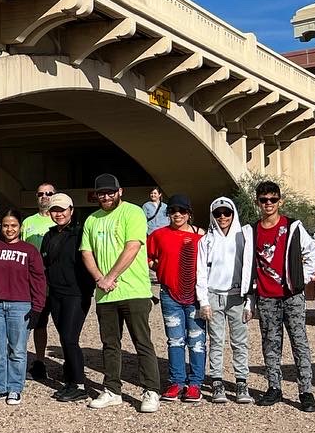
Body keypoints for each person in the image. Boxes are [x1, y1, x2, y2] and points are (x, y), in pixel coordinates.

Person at [80, 174, 160, 413]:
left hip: (134, 291)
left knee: (142, 342)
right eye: (101, 193)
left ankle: (151, 391)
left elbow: (133, 246)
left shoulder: (133, 213)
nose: (106, 197)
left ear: (120, 191)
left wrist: (110, 277)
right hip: (105, 295)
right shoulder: (92, 219)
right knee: (110, 344)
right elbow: (86, 252)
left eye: (110, 192)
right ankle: (112, 390)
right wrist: (99, 279)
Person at [246, 179, 315, 412]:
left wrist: (301, 280)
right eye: (264, 200)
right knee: (270, 343)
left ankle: (305, 391)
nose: (269, 203)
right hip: (266, 296)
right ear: (258, 202)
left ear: (280, 201)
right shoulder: (252, 231)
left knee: (299, 342)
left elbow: (313, 252)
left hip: (291, 296)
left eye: (273, 199)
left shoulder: (293, 226)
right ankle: (274, 387)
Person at [0, 209, 46, 406]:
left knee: (18, 350)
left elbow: (39, 280)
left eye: (13, 225)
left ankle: (14, 388)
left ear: (20, 227)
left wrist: (38, 307)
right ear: (0, 226)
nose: (9, 229)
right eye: (5, 225)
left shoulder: (29, 251)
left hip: (20, 307)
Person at [148, 194, 207, 405]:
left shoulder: (201, 236)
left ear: (189, 214)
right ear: (168, 213)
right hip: (169, 294)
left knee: (197, 340)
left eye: (182, 211)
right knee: (175, 340)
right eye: (173, 211)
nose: (177, 215)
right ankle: (177, 381)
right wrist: (159, 267)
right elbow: (149, 258)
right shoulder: (158, 235)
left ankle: (196, 384)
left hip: (196, 296)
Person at [195, 197, 254, 405]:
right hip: (213, 295)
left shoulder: (243, 236)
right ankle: (217, 380)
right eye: (218, 213)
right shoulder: (206, 240)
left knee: (240, 342)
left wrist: (249, 300)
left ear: (233, 214)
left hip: (237, 295)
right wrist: (203, 301)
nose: (222, 217)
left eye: (226, 213)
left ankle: (241, 381)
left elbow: (250, 268)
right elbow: (200, 271)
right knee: (216, 341)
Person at [39, 195, 94, 403]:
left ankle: (80, 384)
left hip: (76, 293)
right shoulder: (49, 235)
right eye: (54, 210)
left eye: (62, 210)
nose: (58, 214)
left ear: (71, 209)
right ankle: (70, 379)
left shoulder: (80, 233)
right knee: (64, 338)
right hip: (55, 292)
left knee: (70, 338)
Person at [21, 183, 56, 381]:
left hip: (55, 280)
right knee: (37, 322)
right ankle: (39, 361)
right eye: (41, 194)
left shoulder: (59, 219)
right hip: (33, 282)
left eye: (49, 193)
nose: (45, 197)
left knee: (61, 323)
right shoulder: (28, 222)